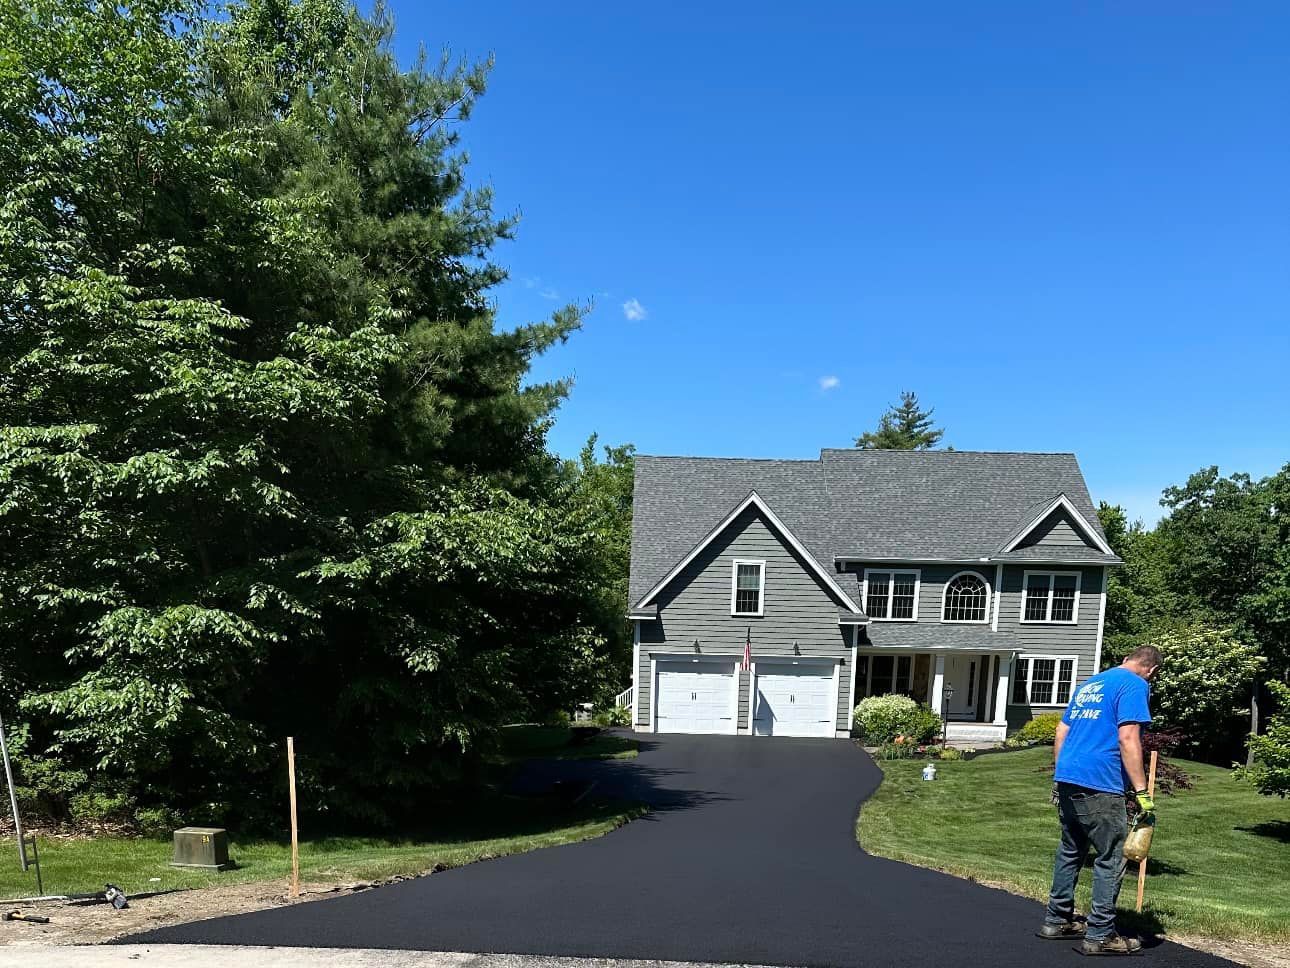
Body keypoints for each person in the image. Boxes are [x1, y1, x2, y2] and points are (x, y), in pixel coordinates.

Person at [1036, 645, 1161, 955]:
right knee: (1111, 856)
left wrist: (1060, 775)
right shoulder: (1135, 684)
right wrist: (1141, 791)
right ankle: (1100, 934)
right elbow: (1127, 737)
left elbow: (1061, 731)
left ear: (1125, 659)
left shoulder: (1090, 684)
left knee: (1070, 850)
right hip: (1101, 782)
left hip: (1068, 777)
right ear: (1152, 670)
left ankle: (1057, 920)